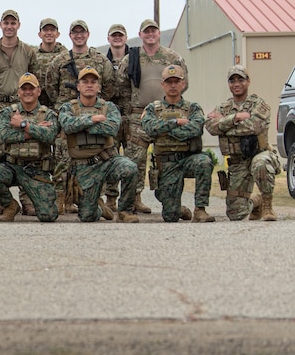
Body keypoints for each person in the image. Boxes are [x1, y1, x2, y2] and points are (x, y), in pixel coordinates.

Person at [47, 20, 117, 216]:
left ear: (88, 34)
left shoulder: (100, 60)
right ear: (69, 35)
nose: (79, 35)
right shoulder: (60, 60)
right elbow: (50, 87)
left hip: (94, 115)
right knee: (62, 157)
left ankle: (95, 196)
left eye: (82, 32)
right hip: (66, 117)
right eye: (75, 32)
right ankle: (61, 197)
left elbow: (110, 85)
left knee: (95, 156)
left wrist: (95, 107)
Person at [118, 19, 188, 215]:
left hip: (166, 115)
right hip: (137, 115)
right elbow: (121, 85)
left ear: (158, 34)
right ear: (140, 34)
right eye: (146, 31)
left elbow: (184, 83)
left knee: (166, 158)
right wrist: (131, 105)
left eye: (153, 31)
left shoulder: (172, 57)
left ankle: (169, 198)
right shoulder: (130, 58)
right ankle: (135, 199)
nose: (150, 34)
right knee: (135, 160)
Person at [58, 66, 138, 223]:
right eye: (85, 81)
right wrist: (93, 120)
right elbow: (67, 125)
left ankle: (125, 211)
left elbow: (111, 128)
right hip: (83, 167)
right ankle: (99, 208)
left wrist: (81, 127)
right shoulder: (68, 107)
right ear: (78, 86)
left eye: (93, 82)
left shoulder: (109, 107)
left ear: (99, 87)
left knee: (130, 168)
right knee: (87, 216)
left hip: (107, 160)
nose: (89, 85)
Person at [205, 66, 280, 221]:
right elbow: (211, 127)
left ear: (248, 81)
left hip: (260, 154)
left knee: (260, 164)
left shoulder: (259, 104)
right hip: (237, 162)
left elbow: (254, 126)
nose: (236, 83)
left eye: (240, 79)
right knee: (236, 214)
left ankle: (267, 206)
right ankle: (256, 201)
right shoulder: (223, 107)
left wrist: (224, 123)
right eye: (232, 80)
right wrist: (236, 117)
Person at [0, 9, 38, 216]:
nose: (9, 26)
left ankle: (28, 200)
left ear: (18, 25)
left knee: (26, 151)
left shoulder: (28, 51)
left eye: (12, 23)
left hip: (22, 106)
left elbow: (34, 79)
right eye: (6, 23)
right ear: (0, 25)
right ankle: (2, 200)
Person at [142, 66, 215, 222]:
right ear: (163, 85)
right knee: (170, 216)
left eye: (177, 81)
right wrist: (176, 122)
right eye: (169, 82)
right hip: (167, 163)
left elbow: (195, 130)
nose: (173, 85)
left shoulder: (193, 108)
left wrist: (164, 129)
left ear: (183, 84)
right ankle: (179, 209)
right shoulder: (152, 109)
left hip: (189, 159)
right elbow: (149, 128)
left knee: (205, 162)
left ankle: (200, 210)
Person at [0, 72, 59, 222]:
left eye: (31, 88)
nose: (28, 92)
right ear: (18, 92)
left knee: (48, 216)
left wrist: (23, 125)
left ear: (39, 91)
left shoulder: (48, 114)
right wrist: (34, 130)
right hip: (12, 166)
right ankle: (10, 204)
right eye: (24, 89)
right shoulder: (7, 113)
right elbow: (3, 135)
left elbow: (50, 136)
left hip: (36, 170)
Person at [100, 23, 131, 213]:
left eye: (120, 35)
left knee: (133, 158)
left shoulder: (135, 59)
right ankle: (111, 198)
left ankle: (132, 198)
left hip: (130, 114)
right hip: (111, 115)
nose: (117, 38)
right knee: (110, 156)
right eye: (114, 35)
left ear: (126, 38)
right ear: (108, 39)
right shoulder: (103, 62)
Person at [33, 18, 66, 107]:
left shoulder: (66, 55)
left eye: (52, 30)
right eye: (45, 30)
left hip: (59, 104)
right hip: (37, 105)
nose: (49, 33)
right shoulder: (32, 55)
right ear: (40, 34)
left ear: (57, 34)